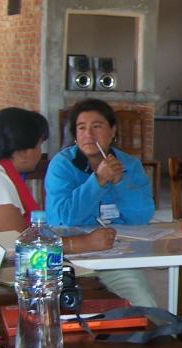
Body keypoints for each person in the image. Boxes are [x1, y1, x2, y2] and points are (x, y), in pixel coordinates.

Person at [0, 107, 115, 257]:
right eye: (39, 145)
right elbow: (25, 245)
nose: (40, 152)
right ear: (24, 152)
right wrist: (84, 243)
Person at [45, 99, 157, 307]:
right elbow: (64, 219)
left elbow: (141, 216)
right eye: (81, 128)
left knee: (144, 303)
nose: (88, 134)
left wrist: (120, 183)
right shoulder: (61, 165)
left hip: (115, 252)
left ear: (112, 131)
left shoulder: (130, 165)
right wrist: (98, 181)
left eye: (97, 126)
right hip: (71, 254)